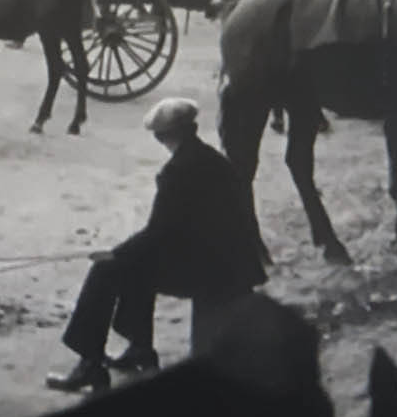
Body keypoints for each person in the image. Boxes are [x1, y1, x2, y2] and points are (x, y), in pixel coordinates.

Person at [44, 98, 267, 393]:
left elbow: (158, 233)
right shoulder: (216, 161)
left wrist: (115, 254)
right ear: (194, 128)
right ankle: (139, 349)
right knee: (137, 263)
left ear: (162, 136)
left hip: (206, 271)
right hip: (233, 264)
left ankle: (90, 363)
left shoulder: (176, 172)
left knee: (105, 271)